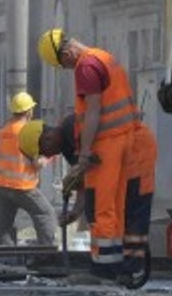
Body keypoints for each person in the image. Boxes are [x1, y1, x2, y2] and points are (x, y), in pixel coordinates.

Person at [37, 28, 139, 281]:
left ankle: (102, 270)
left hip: (106, 143)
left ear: (68, 52)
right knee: (115, 207)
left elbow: (93, 110)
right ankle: (116, 267)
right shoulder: (103, 57)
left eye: (64, 64)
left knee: (102, 208)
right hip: (124, 139)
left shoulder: (86, 66)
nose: (67, 69)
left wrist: (84, 153)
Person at [20, 113, 156, 280]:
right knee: (100, 210)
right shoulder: (67, 144)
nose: (47, 157)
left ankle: (128, 269)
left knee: (130, 209)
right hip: (119, 157)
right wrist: (76, 211)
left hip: (136, 151)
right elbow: (86, 181)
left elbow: (91, 165)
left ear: (47, 137)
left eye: (43, 151)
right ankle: (116, 268)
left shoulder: (72, 128)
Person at [0, 92, 57, 247]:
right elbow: (37, 164)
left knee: (5, 225)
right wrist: (50, 155)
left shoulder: (4, 131)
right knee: (45, 213)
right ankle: (46, 253)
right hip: (21, 186)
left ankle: (6, 259)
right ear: (29, 111)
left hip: (1, 185)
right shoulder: (27, 132)